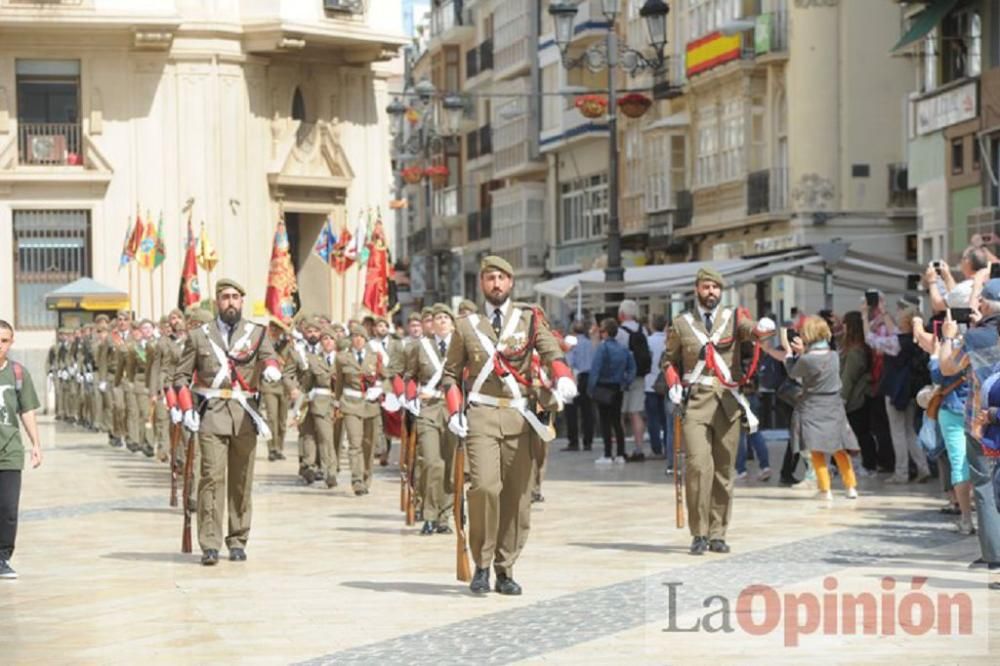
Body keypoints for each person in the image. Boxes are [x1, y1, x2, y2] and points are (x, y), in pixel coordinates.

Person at [442, 256, 574, 595]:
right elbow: (451, 375)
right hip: (482, 417)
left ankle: (506, 567)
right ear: (482, 284)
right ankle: (482, 564)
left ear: (511, 283)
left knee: (517, 498)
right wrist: (456, 410)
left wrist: (562, 377)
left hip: (520, 418)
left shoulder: (529, 320)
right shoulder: (466, 326)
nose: (496, 284)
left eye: (501, 278)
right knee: (484, 488)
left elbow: (550, 351)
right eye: (490, 278)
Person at [662, 267, 774, 555]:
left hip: (727, 402)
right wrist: (673, 381)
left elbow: (751, 331)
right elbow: (668, 359)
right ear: (697, 289)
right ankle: (698, 533)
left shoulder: (734, 317)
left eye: (715, 288)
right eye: (706, 287)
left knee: (725, 470)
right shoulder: (681, 323)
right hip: (696, 402)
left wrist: (763, 329)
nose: (711, 292)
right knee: (699, 467)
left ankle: (717, 532)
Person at [174, 279, 280, 565]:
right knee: (211, 478)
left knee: (241, 481)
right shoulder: (200, 336)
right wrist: (185, 408)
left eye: (235, 297)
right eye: (225, 297)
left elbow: (270, 357)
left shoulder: (256, 334)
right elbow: (181, 376)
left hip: (244, 415)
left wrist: (271, 369)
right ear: (217, 302)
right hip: (211, 416)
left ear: (241, 301)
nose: (230, 302)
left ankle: (237, 539)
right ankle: (210, 543)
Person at [939, 274, 1000, 573]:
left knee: (986, 487)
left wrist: (948, 336)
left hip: (982, 425)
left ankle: (993, 554)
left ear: (986, 306)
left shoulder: (975, 338)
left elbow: (947, 366)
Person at [783, 316, 859, 501]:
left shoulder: (806, 360)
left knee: (816, 449)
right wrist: (804, 352)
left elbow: (793, 372)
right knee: (840, 449)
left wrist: (788, 352)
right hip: (834, 405)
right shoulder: (834, 355)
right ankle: (851, 487)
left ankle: (825, 490)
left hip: (812, 406)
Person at [404, 303, 458, 535]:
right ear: (432, 325)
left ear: (453, 324)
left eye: (446, 317)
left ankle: (444, 516)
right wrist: (411, 397)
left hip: (453, 409)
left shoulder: (461, 347)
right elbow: (410, 376)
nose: (442, 321)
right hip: (429, 409)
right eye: (438, 318)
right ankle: (429, 513)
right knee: (431, 462)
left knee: (449, 464)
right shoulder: (420, 347)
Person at [864, 300, 931, 483]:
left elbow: (871, 339)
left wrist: (864, 316)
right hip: (911, 390)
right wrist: (884, 314)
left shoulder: (896, 342)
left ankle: (901, 473)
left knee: (898, 432)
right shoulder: (917, 341)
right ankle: (922, 466)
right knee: (910, 431)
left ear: (905, 321)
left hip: (895, 390)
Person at [0, 320, 43, 580]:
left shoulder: (17, 373)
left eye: (4, 341)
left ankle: (2, 557)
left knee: (7, 509)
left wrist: (36, 444)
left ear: (11, 343)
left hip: (9, 452)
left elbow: (27, 410)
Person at [335, 324, 386, 496]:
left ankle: (366, 476)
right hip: (351, 403)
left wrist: (379, 389)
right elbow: (339, 383)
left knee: (368, 444)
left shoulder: (375, 357)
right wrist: (337, 403)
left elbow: (386, 378)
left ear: (365, 340)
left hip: (370, 406)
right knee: (354, 444)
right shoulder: (342, 358)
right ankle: (356, 481)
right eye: (354, 336)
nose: (357, 339)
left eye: (361, 336)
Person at [589, 318, 635, 465]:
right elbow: (632, 368)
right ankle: (621, 453)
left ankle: (608, 454)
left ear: (606, 333)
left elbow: (595, 369)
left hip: (603, 386)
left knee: (605, 422)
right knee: (617, 421)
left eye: (602, 331)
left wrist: (591, 388)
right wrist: (626, 382)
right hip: (618, 387)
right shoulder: (623, 349)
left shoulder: (602, 348)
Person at [840, 311, 878, 476]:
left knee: (860, 433)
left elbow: (848, 377)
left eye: (845, 324)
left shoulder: (855, 351)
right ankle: (867, 464)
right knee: (861, 432)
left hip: (856, 398)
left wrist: (842, 398)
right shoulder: (862, 347)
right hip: (861, 395)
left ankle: (869, 465)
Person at [616, 300, 649, 461]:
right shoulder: (643, 330)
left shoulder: (619, 332)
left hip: (623, 377)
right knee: (636, 414)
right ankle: (639, 449)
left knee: (620, 414)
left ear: (621, 314)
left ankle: (621, 449)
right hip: (641, 376)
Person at [562, 319, 595, 452]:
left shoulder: (572, 344)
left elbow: (570, 362)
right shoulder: (590, 343)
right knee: (587, 411)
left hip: (575, 376)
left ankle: (573, 441)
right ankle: (588, 441)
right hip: (588, 376)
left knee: (571, 411)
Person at [645, 314, 669, 459]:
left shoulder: (648, 341)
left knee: (653, 418)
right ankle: (668, 446)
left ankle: (656, 448)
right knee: (666, 418)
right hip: (666, 384)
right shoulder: (668, 341)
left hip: (650, 384)